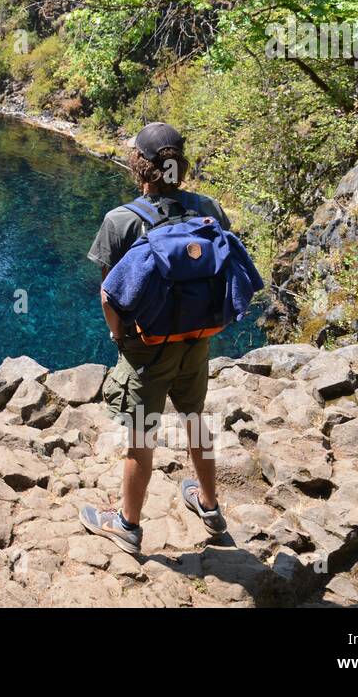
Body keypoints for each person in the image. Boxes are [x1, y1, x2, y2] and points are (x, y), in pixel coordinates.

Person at [79, 122, 231, 555]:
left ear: (138, 166)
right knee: (195, 419)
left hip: (147, 349)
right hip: (197, 339)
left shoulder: (121, 221)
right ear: (178, 164)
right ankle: (209, 505)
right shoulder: (209, 208)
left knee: (140, 436)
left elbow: (110, 294)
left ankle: (127, 524)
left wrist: (117, 333)